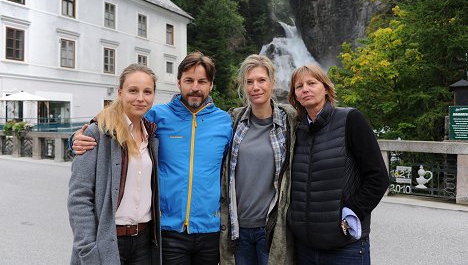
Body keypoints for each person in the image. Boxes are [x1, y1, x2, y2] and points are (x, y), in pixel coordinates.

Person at [72, 51, 233, 265]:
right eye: (189, 80)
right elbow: (115, 120)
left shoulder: (224, 121)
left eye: (202, 81)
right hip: (168, 230)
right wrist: (75, 138)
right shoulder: (157, 116)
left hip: (209, 231)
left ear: (211, 85)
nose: (195, 87)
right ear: (178, 83)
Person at [287, 63, 389, 265]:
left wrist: (353, 212)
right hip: (304, 248)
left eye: (312, 83)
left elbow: (378, 177)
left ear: (325, 88)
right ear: (295, 95)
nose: (305, 89)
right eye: (299, 86)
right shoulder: (297, 131)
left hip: (344, 247)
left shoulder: (351, 119)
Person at [67, 64, 161, 265]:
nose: (140, 98)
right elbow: (79, 197)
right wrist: (87, 248)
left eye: (147, 92)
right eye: (133, 91)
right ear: (120, 92)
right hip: (109, 242)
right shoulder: (98, 133)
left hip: (144, 242)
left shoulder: (151, 136)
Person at [219, 55, 295, 265]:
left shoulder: (290, 121)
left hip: (270, 229)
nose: (255, 87)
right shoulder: (233, 121)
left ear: (272, 82)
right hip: (238, 228)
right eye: (249, 81)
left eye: (261, 80)